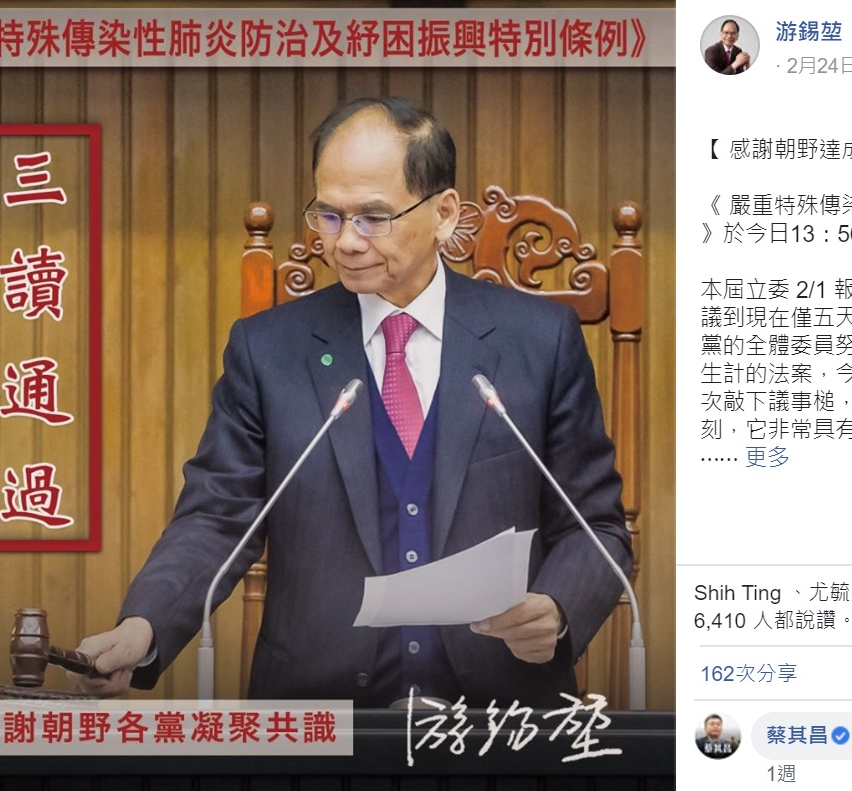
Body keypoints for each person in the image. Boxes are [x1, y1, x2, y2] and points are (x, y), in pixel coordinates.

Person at [73, 97, 632, 708]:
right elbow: (218, 516)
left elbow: (595, 525)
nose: (345, 242)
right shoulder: (268, 350)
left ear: (444, 214)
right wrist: (143, 627)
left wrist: (558, 607)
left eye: (373, 217)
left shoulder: (540, 340)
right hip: (318, 711)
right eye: (329, 216)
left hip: (499, 711)